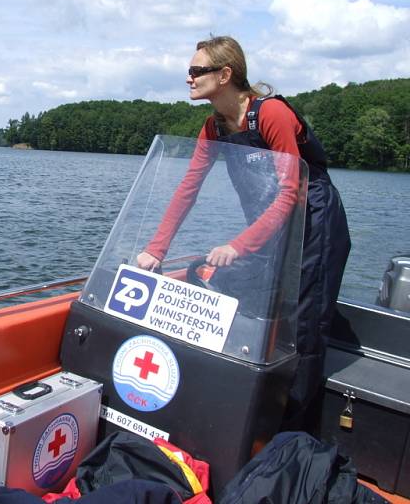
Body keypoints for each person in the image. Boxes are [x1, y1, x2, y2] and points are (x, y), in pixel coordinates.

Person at [136, 35, 350, 432]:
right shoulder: (213, 127)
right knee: (249, 298)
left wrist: (239, 244)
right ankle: (249, 410)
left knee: (305, 326)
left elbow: (290, 192)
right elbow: (188, 189)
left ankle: (293, 434)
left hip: (315, 220)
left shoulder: (272, 115)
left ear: (226, 74)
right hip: (268, 222)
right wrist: (156, 249)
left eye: (196, 70)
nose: (189, 78)